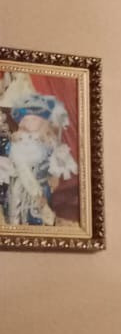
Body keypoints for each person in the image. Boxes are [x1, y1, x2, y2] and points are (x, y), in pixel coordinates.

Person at [0, 77, 78, 227]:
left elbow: (57, 164)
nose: (30, 123)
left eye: (34, 120)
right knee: (22, 215)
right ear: (22, 122)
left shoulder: (48, 142)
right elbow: (22, 169)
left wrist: (55, 175)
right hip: (24, 188)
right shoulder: (20, 143)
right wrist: (36, 193)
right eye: (27, 120)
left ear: (42, 122)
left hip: (43, 187)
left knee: (40, 217)